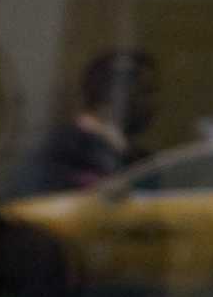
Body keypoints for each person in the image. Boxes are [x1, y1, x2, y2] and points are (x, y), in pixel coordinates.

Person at [11, 48, 157, 196]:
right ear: (112, 93)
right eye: (144, 92)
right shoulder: (55, 148)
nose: (153, 103)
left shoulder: (141, 161)